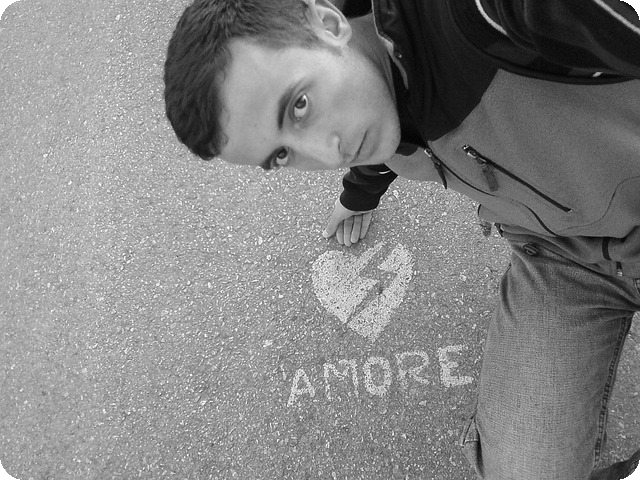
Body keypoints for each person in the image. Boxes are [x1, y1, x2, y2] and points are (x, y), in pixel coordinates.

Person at [163, 0, 640, 478]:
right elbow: (397, 120)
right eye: (282, 155)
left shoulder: (481, 16)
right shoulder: (368, 93)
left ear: (327, 23)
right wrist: (359, 194)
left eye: (299, 106)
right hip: (561, 255)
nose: (326, 153)